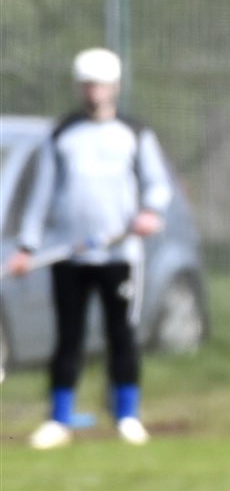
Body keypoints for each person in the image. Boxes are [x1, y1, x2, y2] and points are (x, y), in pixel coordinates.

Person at [7, 47, 173, 449]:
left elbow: (157, 185)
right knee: (68, 335)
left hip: (120, 257)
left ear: (113, 86)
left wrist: (149, 212)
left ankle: (126, 416)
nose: (93, 91)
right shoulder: (62, 133)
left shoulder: (134, 133)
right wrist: (27, 246)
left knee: (122, 334)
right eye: (86, 84)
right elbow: (41, 195)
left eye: (99, 84)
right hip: (69, 253)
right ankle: (59, 419)